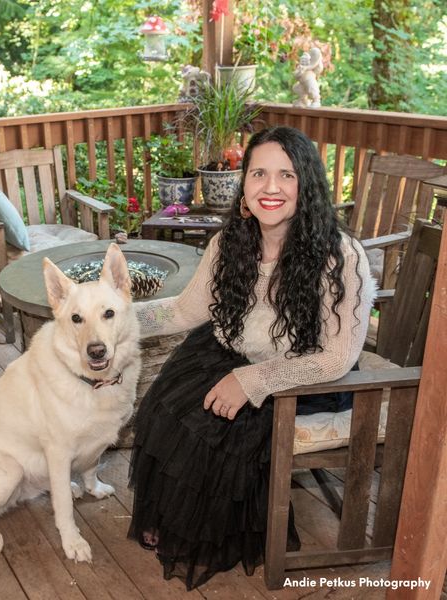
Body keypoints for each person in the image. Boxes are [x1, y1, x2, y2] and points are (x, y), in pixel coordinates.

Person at [127, 126, 375, 590]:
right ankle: (174, 518)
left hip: (306, 376)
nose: (271, 186)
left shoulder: (341, 256)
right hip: (237, 351)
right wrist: (115, 319)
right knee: (166, 405)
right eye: (259, 173)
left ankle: (208, 532)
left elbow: (338, 357)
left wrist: (255, 381)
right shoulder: (231, 241)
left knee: (215, 432)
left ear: (308, 183)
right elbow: (185, 310)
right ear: (244, 185)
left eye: (286, 174)